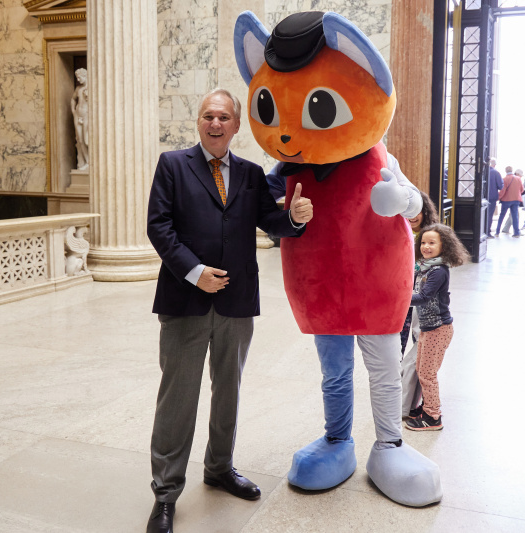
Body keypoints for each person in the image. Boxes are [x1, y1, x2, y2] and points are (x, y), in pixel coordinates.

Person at [145, 88, 312, 533]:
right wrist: (193, 271)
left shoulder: (253, 175)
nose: (215, 124)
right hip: (186, 300)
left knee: (229, 391)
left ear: (237, 125)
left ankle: (219, 468)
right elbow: (158, 227)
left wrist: (293, 217)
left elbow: (270, 222)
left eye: (223, 117)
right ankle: (165, 493)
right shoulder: (173, 166)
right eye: (207, 116)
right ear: (198, 123)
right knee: (177, 397)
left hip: (236, 303)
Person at [405, 223, 469, 430]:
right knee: (421, 369)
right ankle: (427, 407)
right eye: (423, 242)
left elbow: (424, 297)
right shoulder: (426, 266)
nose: (426, 246)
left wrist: (398, 298)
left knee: (427, 374)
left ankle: (433, 417)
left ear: (445, 246)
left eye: (432, 243)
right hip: (428, 327)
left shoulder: (438, 271)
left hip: (438, 328)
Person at [401, 191, 440, 419]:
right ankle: (401, 402)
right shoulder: (398, 231)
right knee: (397, 351)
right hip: (401, 299)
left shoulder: (432, 237)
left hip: (420, 302)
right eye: (407, 210)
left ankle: (417, 407)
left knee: (420, 358)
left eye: (417, 210)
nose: (413, 216)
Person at [495, 166, 524, 237]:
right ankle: (516, 233)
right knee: (515, 216)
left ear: (506, 171)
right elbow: (522, 190)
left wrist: (497, 198)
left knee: (502, 216)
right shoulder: (518, 179)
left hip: (506, 200)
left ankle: (497, 232)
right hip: (516, 200)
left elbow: (502, 191)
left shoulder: (504, 179)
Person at [70, 68, 89, 170]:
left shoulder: (92, 88)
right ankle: (87, 161)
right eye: (77, 77)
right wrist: (73, 111)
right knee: (80, 140)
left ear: (85, 76)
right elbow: (73, 99)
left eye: (79, 77)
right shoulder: (78, 89)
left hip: (87, 115)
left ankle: (92, 161)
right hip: (78, 115)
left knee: (87, 140)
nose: (78, 79)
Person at [486, 159, 503, 238]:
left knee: (482, 214)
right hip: (492, 197)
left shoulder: (483, 171)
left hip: (482, 197)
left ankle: (480, 231)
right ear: (494, 165)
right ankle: (487, 232)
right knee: (489, 215)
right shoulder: (496, 173)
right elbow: (500, 186)